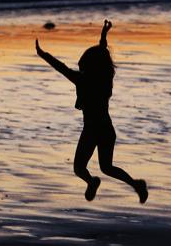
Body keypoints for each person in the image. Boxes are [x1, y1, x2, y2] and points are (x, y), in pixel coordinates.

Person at [35, 20, 148, 204]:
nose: (80, 67)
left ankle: (92, 181)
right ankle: (135, 184)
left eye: (82, 65)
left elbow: (60, 67)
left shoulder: (82, 80)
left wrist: (42, 54)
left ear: (88, 67)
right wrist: (103, 35)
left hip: (92, 130)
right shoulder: (106, 79)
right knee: (107, 167)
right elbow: (102, 54)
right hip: (106, 129)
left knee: (79, 168)